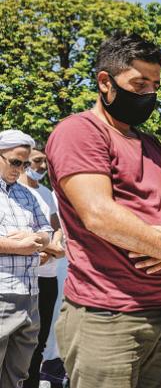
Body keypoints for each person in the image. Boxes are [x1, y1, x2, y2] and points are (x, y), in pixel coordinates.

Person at [46, 33, 161, 387]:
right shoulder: (80, 132)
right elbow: (98, 213)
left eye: (155, 85)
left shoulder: (153, 146)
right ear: (105, 82)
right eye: (139, 84)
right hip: (106, 316)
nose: (149, 94)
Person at [0, 130, 52, 388]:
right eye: (15, 162)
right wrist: (15, 246)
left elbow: (47, 233)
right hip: (1, 294)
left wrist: (35, 240)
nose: (20, 169)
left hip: (30, 296)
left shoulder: (26, 195)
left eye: (24, 163)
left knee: (18, 375)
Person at [19, 142, 65, 388]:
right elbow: (20, 233)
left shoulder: (46, 193)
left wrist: (53, 245)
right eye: (37, 161)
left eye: (44, 162)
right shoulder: (15, 192)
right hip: (24, 276)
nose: (42, 166)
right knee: (20, 341)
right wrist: (47, 248)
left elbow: (56, 227)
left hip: (49, 276)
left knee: (41, 339)